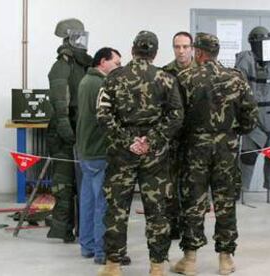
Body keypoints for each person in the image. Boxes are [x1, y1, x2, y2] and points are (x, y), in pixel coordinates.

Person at [96, 31, 184, 276]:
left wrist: (128, 141)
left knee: (117, 210)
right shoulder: (166, 79)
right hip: (155, 156)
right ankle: (157, 267)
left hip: (122, 155)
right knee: (157, 211)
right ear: (155, 53)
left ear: (133, 49)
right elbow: (177, 116)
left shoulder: (114, 78)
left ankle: (112, 266)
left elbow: (103, 115)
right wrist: (151, 140)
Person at [172, 32, 258, 275]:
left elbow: (175, 118)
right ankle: (225, 259)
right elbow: (251, 117)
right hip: (226, 150)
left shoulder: (185, 78)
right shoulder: (236, 78)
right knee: (225, 202)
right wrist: (232, 132)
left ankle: (189, 260)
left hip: (194, 150)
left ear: (198, 52)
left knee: (194, 203)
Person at [76, 47, 125, 264]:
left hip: (85, 151)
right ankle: (102, 251)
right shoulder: (101, 84)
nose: (119, 67)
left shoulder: (86, 81)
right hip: (98, 152)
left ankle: (86, 246)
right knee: (102, 204)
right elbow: (108, 118)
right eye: (116, 63)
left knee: (87, 200)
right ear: (103, 62)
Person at [46, 18, 92, 242]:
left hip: (81, 132)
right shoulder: (61, 66)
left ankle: (84, 230)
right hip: (65, 135)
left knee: (85, 186)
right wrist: (68, 133)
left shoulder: (86, 65)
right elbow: (60, 102)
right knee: (64, 185)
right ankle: (63, 229)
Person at [235, 26, 270, 192]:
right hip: (252, 117)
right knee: (248, 156)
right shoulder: (245, 60)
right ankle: (242, 188)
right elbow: (238, 88)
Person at [162, 31, 197, 240]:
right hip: (172, 138)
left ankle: (190, 225)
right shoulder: (166, 72)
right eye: (177, 47)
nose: (181, 51)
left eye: (185, 46)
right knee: (170, 183)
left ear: (192, 48)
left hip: (195, 137)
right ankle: (173, 223)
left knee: (193, 183)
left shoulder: (201, 71)